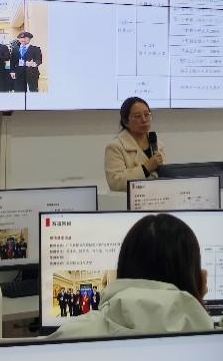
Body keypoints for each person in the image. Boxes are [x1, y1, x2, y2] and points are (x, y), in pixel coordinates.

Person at [49, 214, 212, 339]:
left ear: (124, 265)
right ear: (194, 276)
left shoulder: (70, 336)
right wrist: (196, 298)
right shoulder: (213, 340)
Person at [104, 97, 165, 192]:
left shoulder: (157, 144)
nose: (144, 119)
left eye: (147, 114)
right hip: (131, 199)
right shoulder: (115, 147)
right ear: (125, 122)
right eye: (138, 116)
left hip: (158, 196)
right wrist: (146, 168)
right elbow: (115, 183)